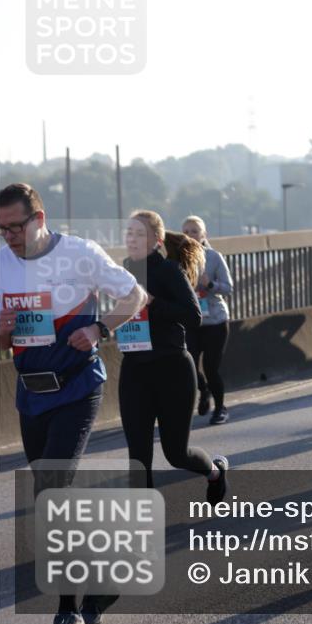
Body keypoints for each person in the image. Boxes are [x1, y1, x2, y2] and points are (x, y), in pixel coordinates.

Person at [0, 183, 146, 624]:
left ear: (39, 219)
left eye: (15, 227)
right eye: (0, 229)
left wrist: (100, 328)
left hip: (78, 387)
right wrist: (2, 331)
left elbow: (135, 296)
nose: (8, 237)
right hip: (31, 392)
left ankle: (69, 612)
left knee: (52, 488)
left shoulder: (79, 253)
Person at [117, 212, 230, 494]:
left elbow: (193, 316)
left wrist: (153, 302)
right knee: (138, 458)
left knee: (177, 454)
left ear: (157, 240)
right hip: (134, 371)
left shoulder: (168, 270)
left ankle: (215, 472)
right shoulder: (122, 273)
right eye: (129, 233)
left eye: (139, 234)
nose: (132, 239)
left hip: (172, 370)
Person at [181, 216, 235, 425]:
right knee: (189, 367)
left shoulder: (214, 257)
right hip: (191, 322)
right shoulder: (177, 259)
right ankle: (204, 391)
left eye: (194, 231)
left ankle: (220, 409)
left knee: (211, 368)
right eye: (186, 231)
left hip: (215, 321)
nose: (190, 235)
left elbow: (228, 287)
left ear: (204, 234)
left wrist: (210, 284)